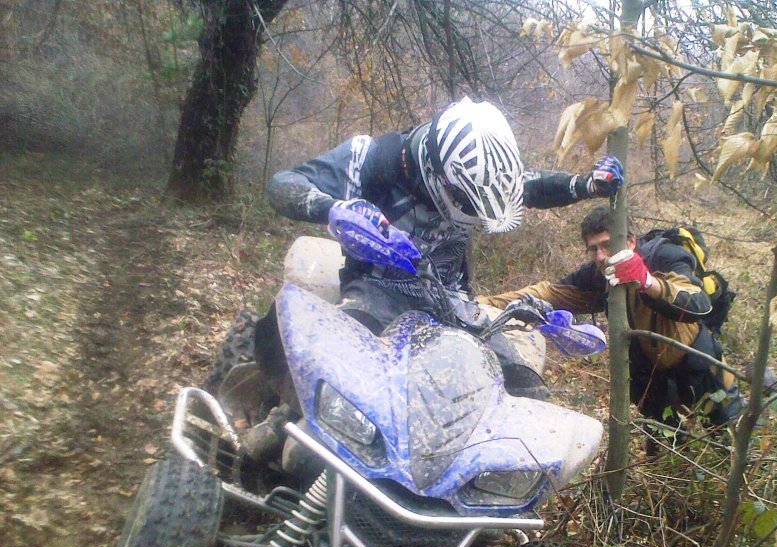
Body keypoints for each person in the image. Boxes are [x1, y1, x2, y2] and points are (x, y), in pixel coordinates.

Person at [266, 96, 624, 334]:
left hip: (452, 302)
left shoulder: (477, 176)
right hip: (376, 291)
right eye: (469, 204)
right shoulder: (372, 159)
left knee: (518, 380)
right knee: (343, 368)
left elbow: (531, 186)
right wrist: (333, 209)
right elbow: (284, 183)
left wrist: (588, 184)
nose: (474, 214)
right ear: (440, 178)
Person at [478, 204, 744, 452]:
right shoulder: (597, 274)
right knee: (664, 444)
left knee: (728, 438)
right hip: (649, 375)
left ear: (630, 241)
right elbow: (548, 292)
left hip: (696, 360)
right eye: (593, 249)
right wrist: (482, 304)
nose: (601, 256)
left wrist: (648, 282)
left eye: (607, 245)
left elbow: (698, 302)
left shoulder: (665, 255)